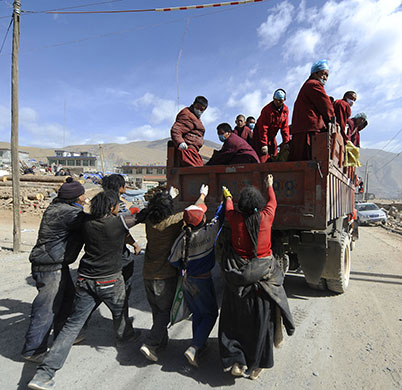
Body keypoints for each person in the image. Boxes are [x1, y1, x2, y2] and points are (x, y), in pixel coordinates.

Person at [28, 190, 141, 390]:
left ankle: (43, 375)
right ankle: (125, 335)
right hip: (110, 281)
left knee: (71, 327)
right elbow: (142, 216)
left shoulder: (86, 223)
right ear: (111, 208)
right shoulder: (117, 224)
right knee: (120, 310)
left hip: (85, 280)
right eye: (116, 205)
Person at [218, 175, 295, 380]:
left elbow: (228, 208)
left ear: (241, 206)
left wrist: (228, 196)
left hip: (238, 281)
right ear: (258, 205)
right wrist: (270, 185)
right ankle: (257, 366)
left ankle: (237, 360)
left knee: (232, 323)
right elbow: (273, 202)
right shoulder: (266, 217)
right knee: (263, 325)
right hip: (263, 282)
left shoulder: (234, 219)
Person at [22, 178, 86, 363]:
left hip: (57, 264)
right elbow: (91, 222)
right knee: (46, 308)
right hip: (50, 267)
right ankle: (33, 350)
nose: (84, 197)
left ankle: (62, 337)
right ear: (75, 197)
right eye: (82, 194)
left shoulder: (58, 207)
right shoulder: (68, 213)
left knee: (67, 299)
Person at [168, 185, 224, 367]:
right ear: (203, 220)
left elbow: (173, 260)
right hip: (203, 281)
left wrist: (202, 195)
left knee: (198, 313)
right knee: (210, 314)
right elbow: (220, 219)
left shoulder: (182, 239)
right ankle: (194, 346)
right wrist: (225, 201)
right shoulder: (209, 233)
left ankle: (199, 344)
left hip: (187, 280)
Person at [138, 189, 184, 362]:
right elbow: (195, 210)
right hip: (164, 276)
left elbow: (152, 209)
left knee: (156, 310)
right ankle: (151, 343)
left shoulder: (149, 221)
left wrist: (168, 197)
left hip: (147, 274)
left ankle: (161, 342)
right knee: (165, 312)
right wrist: (202, 195)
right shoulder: (172, 222)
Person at [289, 59, 335, 161]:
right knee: (309, 160)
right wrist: (333, 122)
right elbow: (326, 105)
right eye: (323, 74)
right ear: (315, 73)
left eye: (327, 75)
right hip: (309, 129)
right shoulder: (314, 84)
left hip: (303, 129)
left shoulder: (308, 85)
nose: (325, 78)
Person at [170, 96, 208, 167]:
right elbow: (176, 130)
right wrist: (181, 143)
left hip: (192, 151)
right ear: (194, 104)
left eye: (202, 109)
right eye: (198, 107)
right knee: (199, 171)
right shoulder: (187, 115)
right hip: (187, 151)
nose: (199, 110)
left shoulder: (195, 117)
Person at [254, 89, 290, 162]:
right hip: (260, 135)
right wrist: (264, 144)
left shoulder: (285, 110)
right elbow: (263, 128)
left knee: (274, 152)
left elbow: (285, 128)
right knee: (263, 155)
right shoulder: (267, 110)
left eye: (280, 100)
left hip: (272, 135)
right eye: (275, 100)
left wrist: (286, 142)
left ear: (284, 100)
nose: (277, 102)